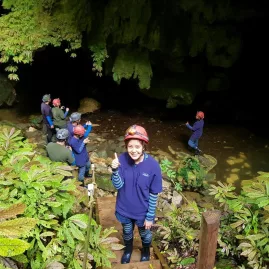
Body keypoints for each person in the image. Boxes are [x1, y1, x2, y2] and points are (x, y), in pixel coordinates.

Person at [111, 125, 162, 264]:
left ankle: (145, 251)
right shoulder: (122, 159)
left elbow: (153, 193)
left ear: (143, 146)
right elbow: (118, 185)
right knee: (127, 232)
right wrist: (115, 170)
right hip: (124, 209)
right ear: (126, 146)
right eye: (130, 146)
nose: (133, 150)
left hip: (142, 212)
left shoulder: (153, 166)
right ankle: (128, 250)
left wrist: (150, 216)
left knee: (145, 235)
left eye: (137, 146)